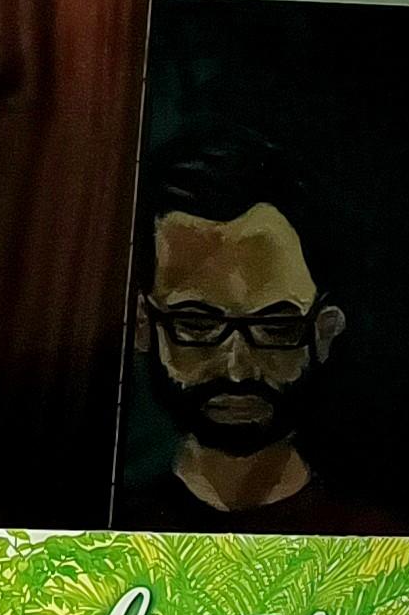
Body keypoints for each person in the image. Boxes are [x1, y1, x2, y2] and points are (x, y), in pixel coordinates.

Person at [117, 132, 372, 532]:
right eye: (197, 324)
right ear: (143, 325)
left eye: (275, 326)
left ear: (324, 331)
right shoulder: (96, 533)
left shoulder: (378, 545)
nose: (238, 370)